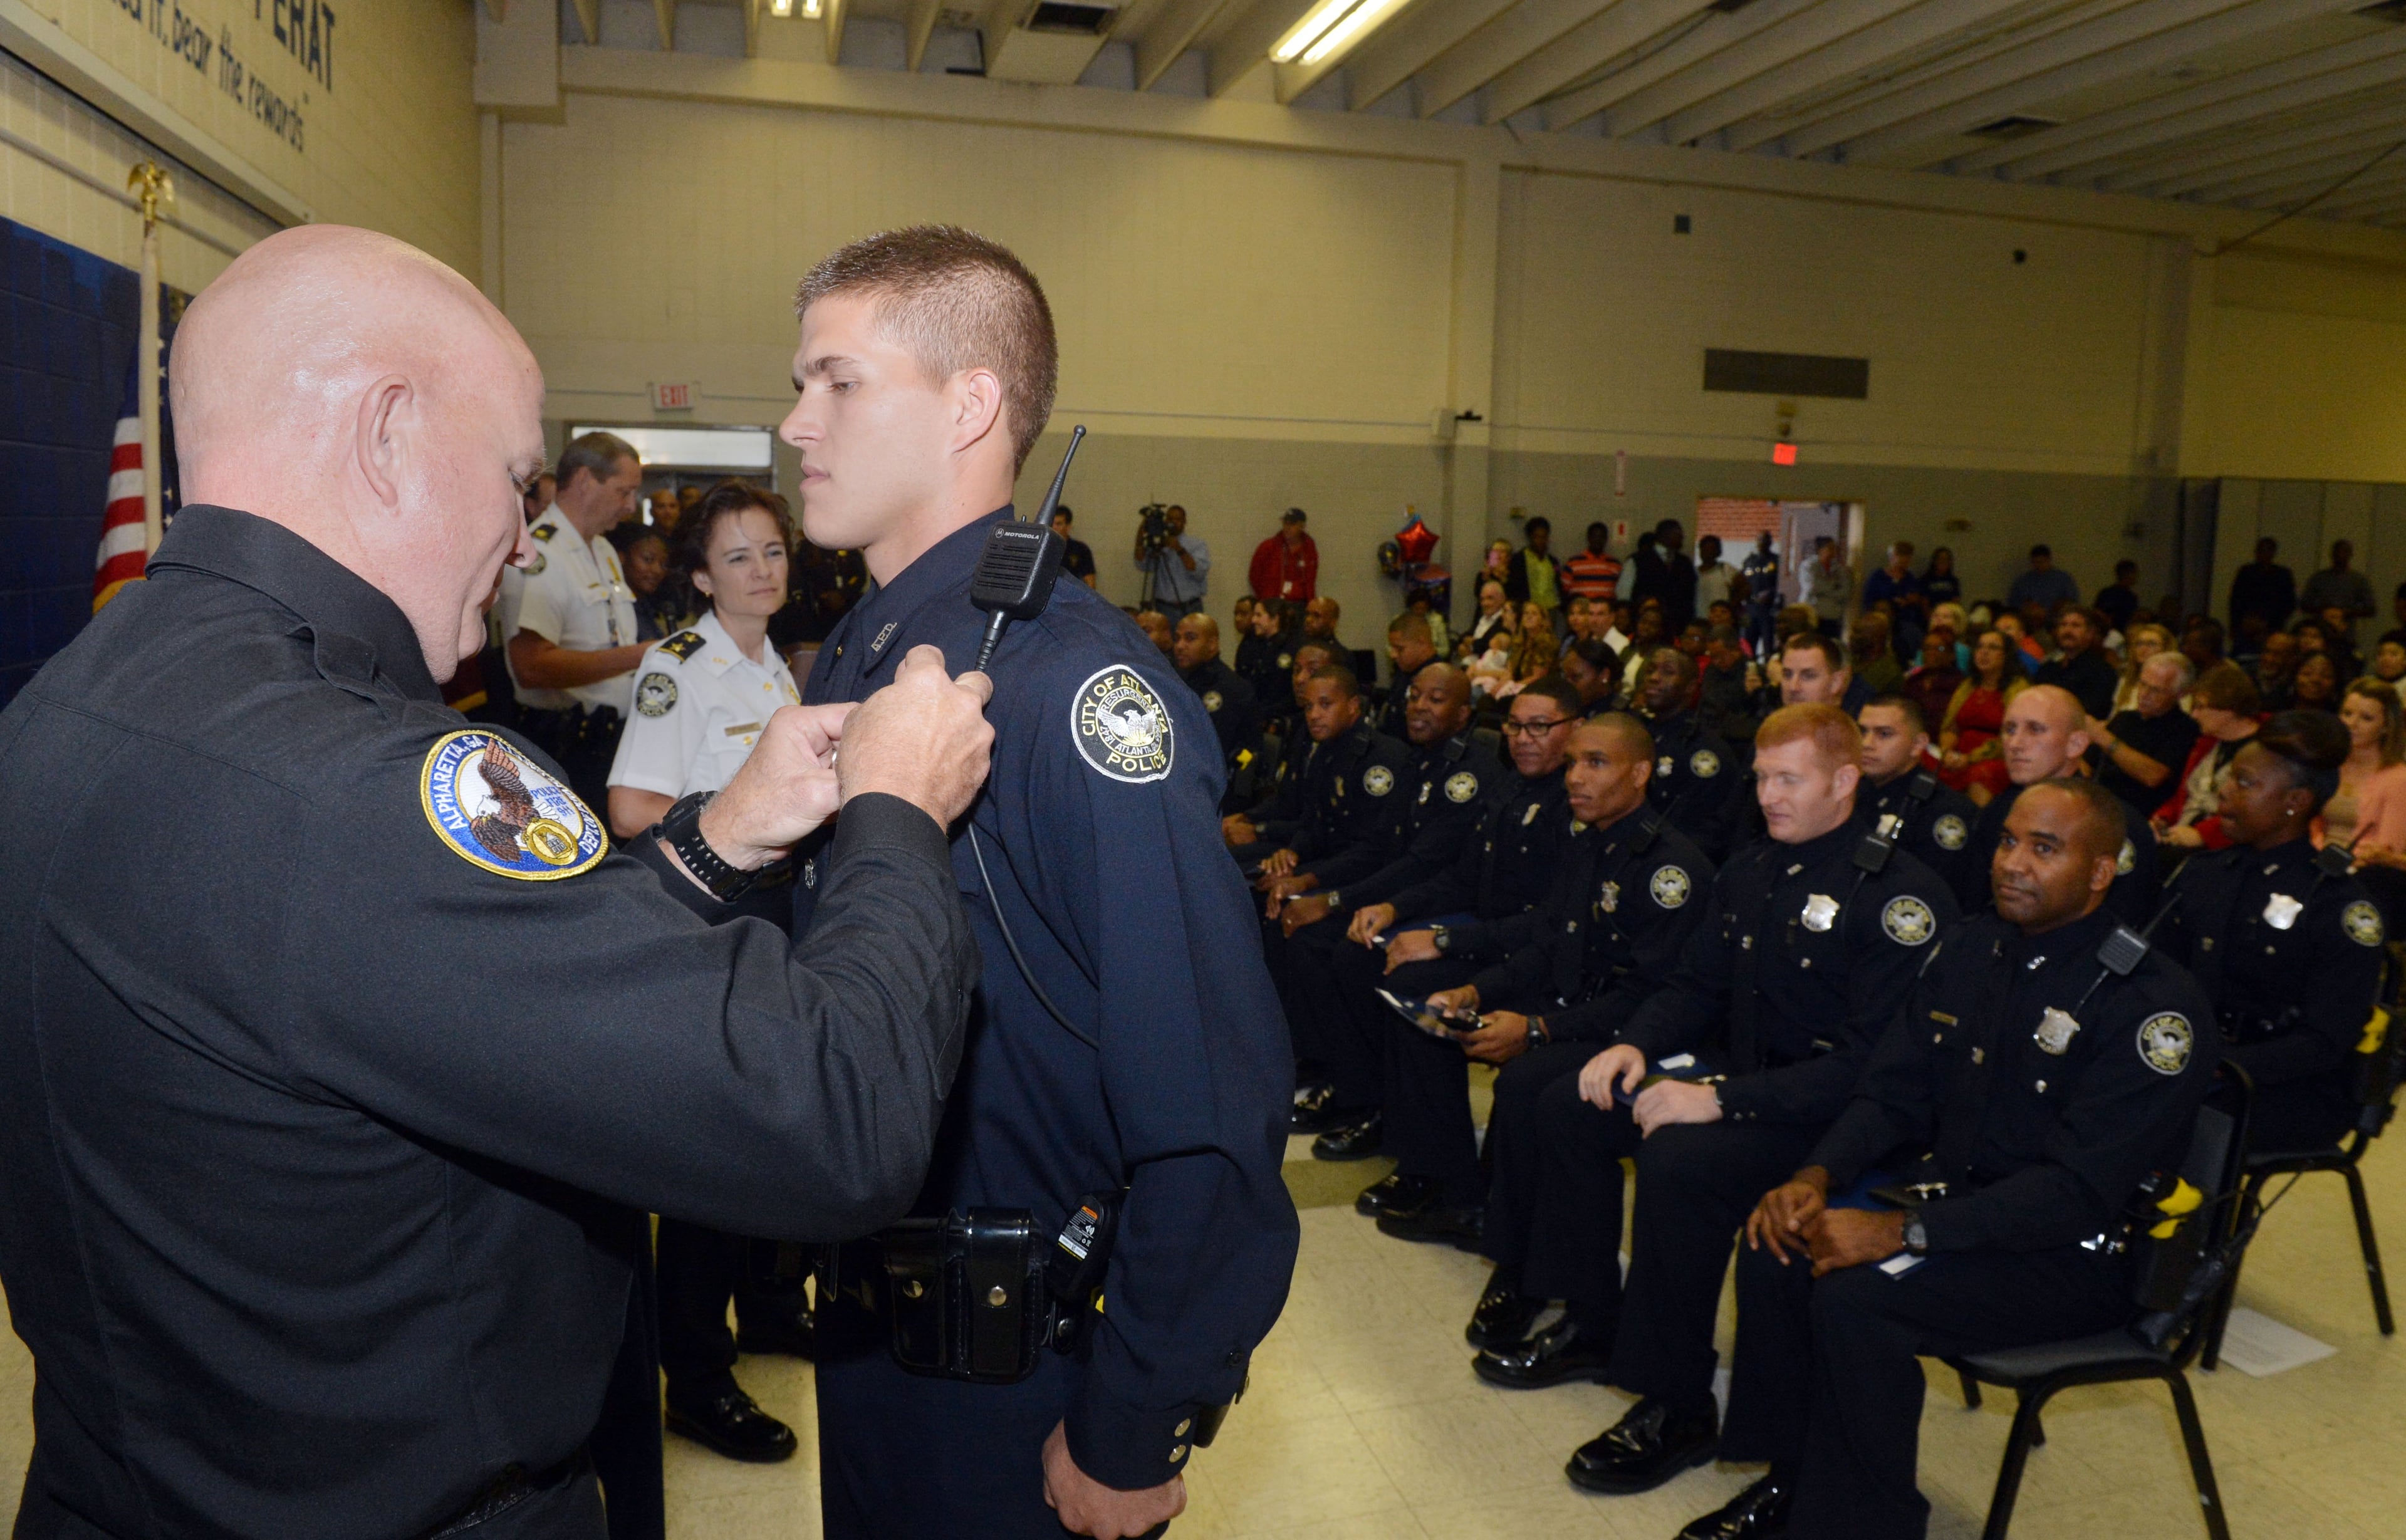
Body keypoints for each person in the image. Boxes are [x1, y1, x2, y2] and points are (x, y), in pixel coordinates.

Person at [0, 224, 1000, 1540]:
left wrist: (720, 836)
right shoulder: (350, 781)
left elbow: (460, 981)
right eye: (517, 477)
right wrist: (893, 811)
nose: (528, 539)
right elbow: (832, 1116)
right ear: (388, 431)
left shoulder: (75, 700)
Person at [781, 226, 1296, 1540]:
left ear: (971, 404)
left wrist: (1136, 1418)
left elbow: (1212, 1104)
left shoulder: (1072, 692)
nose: (795, 423)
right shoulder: (866, 644)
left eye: (837, 381)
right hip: (874, 1327)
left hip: (1017, 1384)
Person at [1719, 778, 2214, 1539]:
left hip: (2075, 1254)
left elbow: (2075, 1191)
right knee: (1777, 1241)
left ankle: (1866, 1527)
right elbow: (1892, 1092)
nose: (2011, 862)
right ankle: (1797, 1477)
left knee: (1856, 1298)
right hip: (1962, 1205)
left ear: (2099, 873)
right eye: (2009, 840)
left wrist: (1900, 1235)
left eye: (2044, 848)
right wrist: (1812, 1176)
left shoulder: (2150, 1005)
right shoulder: (1974, 947)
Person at [1491, 705, 1957, 1484]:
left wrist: (1721, 1100)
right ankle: (1591, 1318)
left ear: (1845, 781)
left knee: (1681, 1161)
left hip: (1842, 1119)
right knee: (1578, 1102)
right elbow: (1695, 983)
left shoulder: (1901, 899)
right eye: (1763, 777)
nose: (1768, 795)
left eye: (1789, 779)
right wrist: (1632, 1044)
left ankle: (1677, 1401)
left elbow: (1874, 1068)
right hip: (1755, 1079)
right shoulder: (1755, 868)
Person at [600, 479, 821, 1464]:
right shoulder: (677, 667)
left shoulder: (777, 667)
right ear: (699, 575)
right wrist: (736, 834)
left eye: (772, 550)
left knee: (780, 1129)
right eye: (737, 557)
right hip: (717, 919)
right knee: (717, 1154)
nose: (761, 570)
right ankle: (696, 1375)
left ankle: (771, 1304)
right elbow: (631, 807)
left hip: (782, 918)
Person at [1434, 713, 1717, 1341]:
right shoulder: (1587, 840)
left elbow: (1651, 997)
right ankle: (1519, 1265)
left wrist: (1538, 1029)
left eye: (1596, 764)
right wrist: (1481, 989)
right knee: (1521, 1085)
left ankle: (1567, 1290)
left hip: (1643, 1035)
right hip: (1588, 1014)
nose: (1575, 779)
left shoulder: (1670, 870)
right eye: (1572, 764)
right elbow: (1548, 942)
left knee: (1544, 1089)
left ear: (1640, 775)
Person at [1331, 681, 1594, 1239]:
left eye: (1539, 727)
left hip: (1538, 963)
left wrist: (1447, 944)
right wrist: (1394, 907)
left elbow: (1550, 924)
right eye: (1515, 727)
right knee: (1384, 968)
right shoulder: (1509, 791)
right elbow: (1463, 878)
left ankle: (1453, 1179)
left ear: (1575, 728)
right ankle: (1417, 1156)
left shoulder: (1575, 808)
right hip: (1497, 941)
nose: (1523, 740)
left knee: (1426, 996)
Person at [1266, 665, 1501, 1152]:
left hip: (1451, 908)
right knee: (1312, 940)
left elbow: (1425, 865)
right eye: (1415, 696)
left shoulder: (1468, 774)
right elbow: (1382, 848)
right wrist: (1327, 894)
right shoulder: (1421, 763)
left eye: (1436, 700)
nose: (1418, 706)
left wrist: (1337, 900)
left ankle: (1375, 1100)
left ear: (1463, 714)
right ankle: (1349, 1083)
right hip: (1408, 897)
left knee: (1351, 956)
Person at [2160, 713, 2384, 1153]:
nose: (2224, 791)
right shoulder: (2206, 873)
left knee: (2155, 1116)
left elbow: (2323, 1042)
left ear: (2295, 801)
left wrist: (2216, 1065)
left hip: (2286, 1085)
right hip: (2197, 1057)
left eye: (2245, 783)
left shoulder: (2337, 908)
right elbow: (2155, 971)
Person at [502, 429, 647, 811]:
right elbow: (531, 667)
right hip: (566, 745)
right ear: (584, 480)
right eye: (623, 491)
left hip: (612, 740)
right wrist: (641, 656)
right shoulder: (540, 555)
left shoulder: (603, 549)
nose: (632, 506)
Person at [1971, 685, 2160, 920]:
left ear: (2076, 744)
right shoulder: (1999, 809)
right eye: (2010, 729)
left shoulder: (2116, 825)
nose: (2015, 743)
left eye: (2036, 730)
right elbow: (1973, 900)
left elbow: (2123, 921)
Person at [1857, 695, 1983, 910]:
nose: (1867, 744)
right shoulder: (1851, 792)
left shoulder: (1943, 809)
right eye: (1862, 732)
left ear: (1918, 745)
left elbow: (1937, 894)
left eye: (1884, 734)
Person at [1632, 647, 1747, 859]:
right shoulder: (1635, 732)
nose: (1655, 678)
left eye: (1668, 672)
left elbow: (1706, 833)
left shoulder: (1703, 750)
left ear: (1690, 687)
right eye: (1651, 670)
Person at [2155, 662, 2264, 853]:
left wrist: (2202, 835)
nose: (2194, 714)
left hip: (2225, 848)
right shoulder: (2207, 745)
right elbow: (2185, 795)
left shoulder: (2265, 754)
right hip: (2182, 836)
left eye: (2201, 707)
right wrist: (2163, 819)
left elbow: (2255, 814)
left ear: (2228, 709)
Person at [2088, 652, 2199, 818]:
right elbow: (2088, 764)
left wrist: (2105, 739)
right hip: (2097, 804)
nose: (2144, 695)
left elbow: (2153, 776)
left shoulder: (2185, 728)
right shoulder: (2125, 718)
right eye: (2142, 684)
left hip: (2137, 814)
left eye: (2156, 690)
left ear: (2181, 694)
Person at [1936, 629, 2026, 801]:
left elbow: (2012, 737)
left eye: (1993, 648)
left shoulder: (2018, 688)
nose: (1984, 652)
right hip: (1958, 756)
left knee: (1981, 775)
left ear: (2006, 656)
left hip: (2000, 757)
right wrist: (1947, 753)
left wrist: (1970, 758)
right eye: (1980, 647)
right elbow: (1951, 728)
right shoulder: (1968, 685)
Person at [2327, 680, 2406, 871]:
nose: (2352, 724)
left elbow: (2386, 852)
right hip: (2315, 863)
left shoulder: (2398, 779)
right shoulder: (2329, 764)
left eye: (2366, 718)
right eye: (2347, 714)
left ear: (2386, 726)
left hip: (2361, 874)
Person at [1173, 612, 1261, 776]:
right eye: (1177, 639)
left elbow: (1219, 748)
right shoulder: (1175, 680)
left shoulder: (1234, 689)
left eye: (1190, 638)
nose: (1180, 646)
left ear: (1212, 644)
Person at [2032, 606, 2117, 720]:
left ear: (2090, 633)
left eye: (2075, 626)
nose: (2068, 631)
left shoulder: (2102, 672)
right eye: (2063, 625)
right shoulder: (2047, 669)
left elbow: (2093, 712)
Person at [1134, 502, 1210, 618]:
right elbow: (1141, 564)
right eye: (1170, 519)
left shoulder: (1197, 545)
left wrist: (1179, 549)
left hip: (1191, 607)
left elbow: (1198, 572)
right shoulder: (1158, 544)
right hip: (1164, 608)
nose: (1173, 522)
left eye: (1178, 519)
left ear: (1184, 521)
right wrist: (1141, 537)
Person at [1779, 629, 1870, 717]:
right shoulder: (1771, 730)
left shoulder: (1855, 730)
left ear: (1836, 682)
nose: (1793, 687)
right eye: (1787, 675)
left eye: (1808, 676)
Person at [2302, 538, 2375, 645]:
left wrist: (2345, 613)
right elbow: (2305, 604)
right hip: (2320, 633)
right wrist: (2324, 612)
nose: (2341, 555)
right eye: (2338, 551)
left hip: (2347, 634)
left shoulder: (2359, 580)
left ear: (2351, 555)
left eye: (2345, 552)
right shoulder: (2319, 578)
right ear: (2332, 554)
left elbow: (2371, 609)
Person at [1236, 596, 1299, 718]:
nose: (1253, 620)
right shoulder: (1253, 645)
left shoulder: (1290, 649)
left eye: (1259, 615)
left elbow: (1284, 692)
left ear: (1274, 619)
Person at [1861, 542, 1924, 657]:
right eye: (1902, 559)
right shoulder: (1878, 576)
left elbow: (1916, 597)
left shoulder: (1910, 578)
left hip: (1904, 620)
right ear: (1893, 557)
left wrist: (1910, 601)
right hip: (1882, 619)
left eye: (1908, 560)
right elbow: (1868, 600)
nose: (1905, 563)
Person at [2229, 536, 2296, 636]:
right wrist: (2240, 622)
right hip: (2246, 624)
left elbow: (2289, 601)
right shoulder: (2246, 572)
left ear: (2273, 553)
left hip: (2272, 625)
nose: (2264, 554)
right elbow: (2236, 600)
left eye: (2268, 551)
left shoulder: (2283, 575)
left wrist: (2270, 620)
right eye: (2261, 551)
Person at [1248, 506, 1316, 603]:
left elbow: (1311, 578)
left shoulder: (1309, 548)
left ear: (1302, 526)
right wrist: (1266, 597)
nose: (1287, 528)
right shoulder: (1268, 547)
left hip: (1300, 604)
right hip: (1274, 603)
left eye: (1292, 524)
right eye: (1285, 523)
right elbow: (1254, 575)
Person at [1901, 624, 1962, 732]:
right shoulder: (1913, 682)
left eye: (1939, 648)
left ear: (1951, 654)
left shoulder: (1959, 684)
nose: (1931, 653)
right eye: (1927, 648)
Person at [1504, 516, 1565, 623]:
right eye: (1537, 537)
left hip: (1550, 610)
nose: (1541, 541)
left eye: (1544, 537)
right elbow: (1513, 587)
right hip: (1528, 610)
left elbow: (1558, 586)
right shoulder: (1519, 559)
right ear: (1530, 538)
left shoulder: (1552, 561)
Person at [2112, 622, 2175, 714]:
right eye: (2139, 644)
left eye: (2152, 644)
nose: (2144, 648)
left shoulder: (2175, 686)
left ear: (2166, 649)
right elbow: (2114, 715)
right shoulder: (2126, 680)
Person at [1798, 536, 1852, 638]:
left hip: (1832, 616)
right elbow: (1811, 587)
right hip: (1813, 615)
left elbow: (1845, 592)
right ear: (1821, 550)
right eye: (1830, 548)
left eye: (1835, 548)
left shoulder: (1839, 570)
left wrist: (1824, 589)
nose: (1833, 552)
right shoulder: (1809, 566)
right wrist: (1833, 586)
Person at [2007, 543, 2078, 617]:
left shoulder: (2063, 579)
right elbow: (2013, 604)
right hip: (2031, 620)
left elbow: (2072, 601)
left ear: (2049, 560)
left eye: (2041, 562)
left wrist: (2058, 606)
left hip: (2056, 619)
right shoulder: (2023, 581)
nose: (2038, 566)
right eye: (2035, 562)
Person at [1565, 521, 1623, 608]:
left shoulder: (1615, 564)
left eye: (1601, 537)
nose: (1598, 540)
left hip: (1605, 614)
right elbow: (1565, 592)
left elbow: (1619, 592)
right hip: (1582, 614)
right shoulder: (1573, 563)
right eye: (1594, 536)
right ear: (1588, 538)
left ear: (1606, 539)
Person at [1741, 532, 1781, 658]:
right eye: (1759, 540)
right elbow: (1742, 582)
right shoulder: (1749, 561)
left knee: (1769, 646)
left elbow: (1780, 584)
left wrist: (1771, 593)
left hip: (1768, 610)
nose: (1762, 543)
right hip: (1751, 608)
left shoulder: (1776, 561)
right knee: (1748, 645)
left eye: (1765, 540)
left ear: (1770, 542)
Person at [1694, 534, 1744, 618]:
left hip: (1721, 621)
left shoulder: (1726, 569)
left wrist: (1730, 606)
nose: (1708, 552)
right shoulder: (1693, 572)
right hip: (1699, 621)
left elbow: (1746, 589)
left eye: (1711, 549)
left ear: (1718, 552)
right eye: (1705, 549)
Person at [1461, 577, 1513, 660]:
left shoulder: (1505, 620)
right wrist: (1467, 642)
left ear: (1502, 599)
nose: (1485, 603)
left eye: (1490, 598)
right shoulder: (1482, 618)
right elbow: (1463, 637)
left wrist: (1471, 644)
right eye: (1482, 599)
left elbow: (1485, 646)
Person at [1051, 502, 1097, 587]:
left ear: (1068, 526)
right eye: (1052, 523)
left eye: (1058, 524)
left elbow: (1090, 581)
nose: (1054, 528)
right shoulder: (1044, 549)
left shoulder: (1081, 550)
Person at [2095, 557, 2142, 637]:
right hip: (2109, 635)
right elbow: (2099, 614)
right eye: (2134, 573)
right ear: (2127, 574)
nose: (2136, 577)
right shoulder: (2109, 594)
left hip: (2124, 635)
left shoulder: (2131, 597)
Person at [1919, 544, 1961, 611]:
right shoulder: (1925, 580)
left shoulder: (1953, 581)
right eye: (1941, 559)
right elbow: (1924, 604)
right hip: (1931, 615)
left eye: (1947, 559)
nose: (1943, 562)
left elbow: (1955, 603)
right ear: (1935, 561)